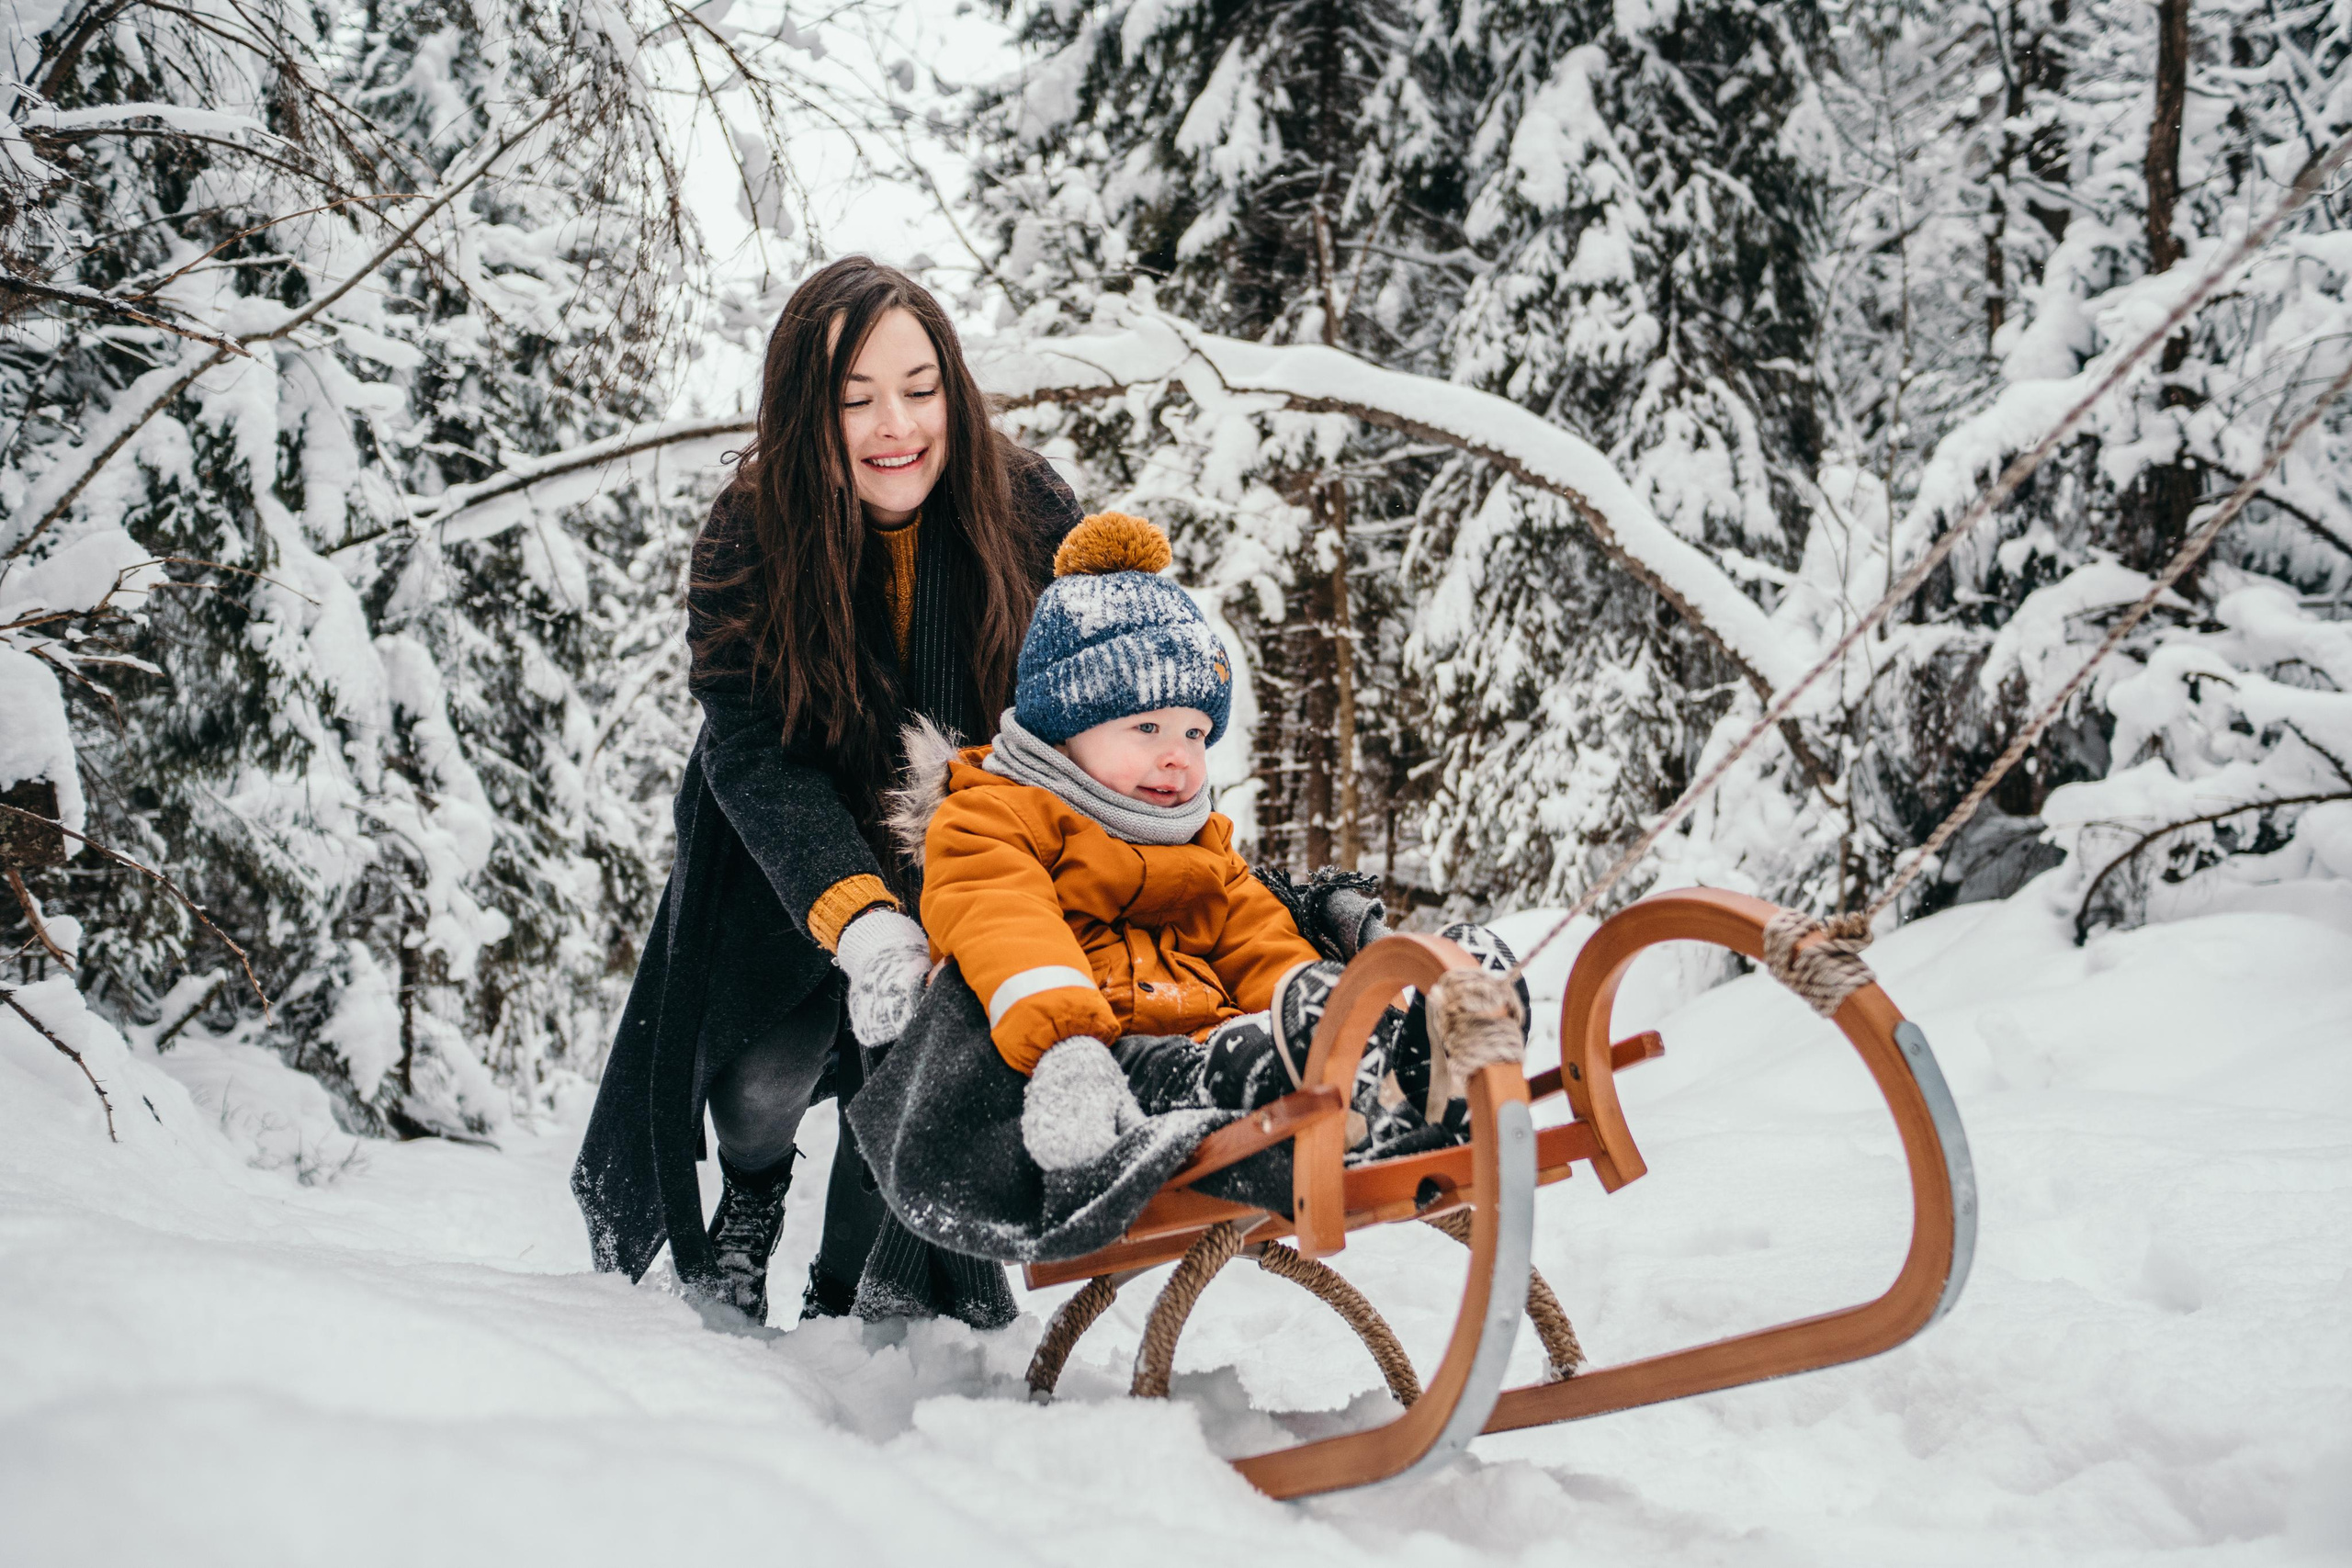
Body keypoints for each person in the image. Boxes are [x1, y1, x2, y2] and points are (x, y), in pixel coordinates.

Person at [571, 257, 1081, 1324]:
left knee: (901, 1094)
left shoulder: (1029, 509)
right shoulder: (747, 533)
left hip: (968, 848)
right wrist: (855, 918)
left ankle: (858, 1293)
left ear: (953, 388)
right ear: (807, 410)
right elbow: (749, 748)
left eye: (918, 386)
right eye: (854, 399)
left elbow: (1076, 706)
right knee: (757, 1086)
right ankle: (752, 1199)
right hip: (782, 852)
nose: (894, 424)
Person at [899, 512, 1523, 1174]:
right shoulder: (990, 820)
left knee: (1334, 998)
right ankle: (1349, 1088)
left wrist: (1338, 1001)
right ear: (1062, 730)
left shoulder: (1202, 844)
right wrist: (1068, 1048)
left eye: (1195, 734)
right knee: (1255, 1051)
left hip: (1216, 1042)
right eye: (1147, 727)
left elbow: (1261, 945)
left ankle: (1411, 1068)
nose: (1179, 758)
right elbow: (1008, 928)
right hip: (1107, 1066)